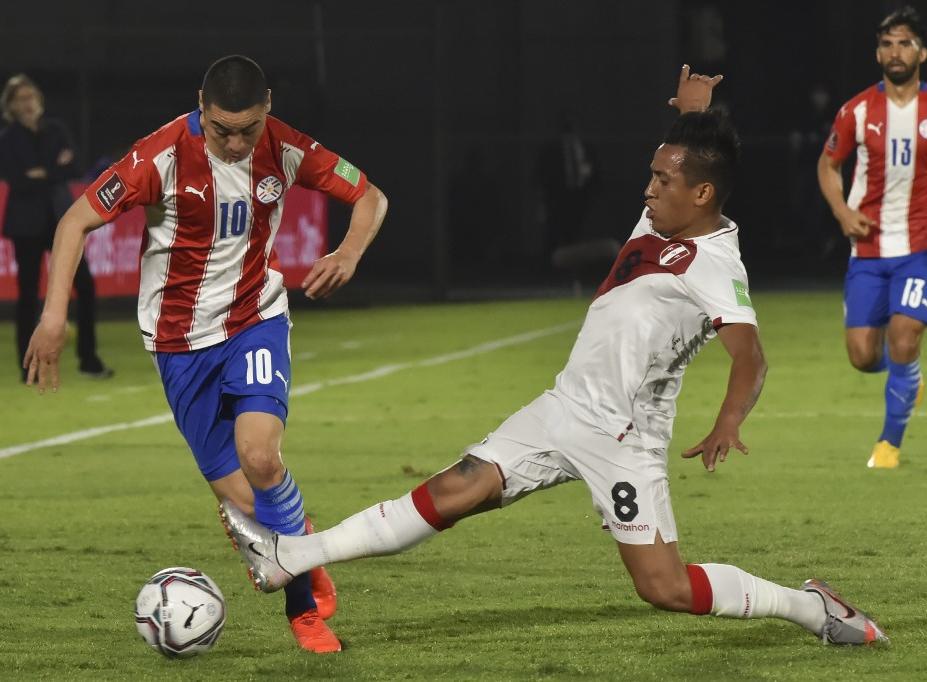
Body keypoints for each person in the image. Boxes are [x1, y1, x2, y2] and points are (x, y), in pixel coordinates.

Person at [221, 66, 887, 647]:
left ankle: (809, 607)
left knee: (664, 589)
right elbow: (692, 154)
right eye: (652, 175)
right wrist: (691, 110)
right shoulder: (667, 212)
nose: (647, 189)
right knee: (455, 490)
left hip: (622, 440)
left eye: (660, 179)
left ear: (701, 195)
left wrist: (727, 422)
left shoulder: (715, 264)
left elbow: (751, 358)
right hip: (562, 407)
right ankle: (288, 557)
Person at [23, 55, 388, 654]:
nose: (237, 142)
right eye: (222, 129)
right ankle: (298, 541)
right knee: (247, 501)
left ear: (267, 106)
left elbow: (370, 195)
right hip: (179, 343)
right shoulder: (159, 156)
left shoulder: (287, 148)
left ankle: (303, 613)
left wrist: (348, 253)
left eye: (248, 128)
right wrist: (54, 315)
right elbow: (74, 222)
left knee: (262, 457)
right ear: (201, 106)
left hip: (255, 320)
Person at [818, 6, 927, 469]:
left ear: (921, 50)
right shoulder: (858, 110)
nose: (895, 51)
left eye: (904, 42)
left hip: (919, 250)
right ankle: (907, 375)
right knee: (863, 356)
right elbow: (828, 165)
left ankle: (888, 447)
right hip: (867, 251)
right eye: (887, 44)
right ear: (877, 53)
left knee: (903, 337)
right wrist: (842, 211)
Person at [0, 74, 112, 382]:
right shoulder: (8, 138)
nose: (29, 103)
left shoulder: (57, 130)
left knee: (86, 287)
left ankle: (89, 360)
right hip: (26, 224)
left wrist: (40, 173)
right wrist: (53, 169)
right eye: (21, 99)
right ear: (11, 106)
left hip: (62, 222)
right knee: (27, 295)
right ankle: (29, 367)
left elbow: (74, 168)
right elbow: (16, 178)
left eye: (31, 97)